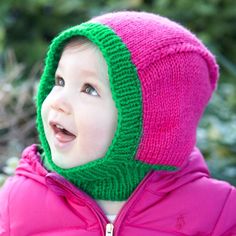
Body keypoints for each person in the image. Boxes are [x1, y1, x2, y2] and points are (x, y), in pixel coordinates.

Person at [0, 11, 235, 236]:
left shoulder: (216, 213)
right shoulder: (17, 203)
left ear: (152, 124)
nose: (58, 101)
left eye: (89, 89)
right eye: (59, 81)